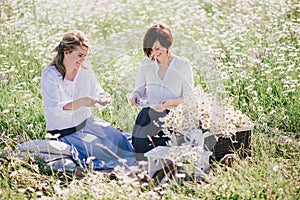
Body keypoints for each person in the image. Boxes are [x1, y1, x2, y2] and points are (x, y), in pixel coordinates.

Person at [40, 30, 135, 170]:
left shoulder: (85, 70)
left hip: (86, 123)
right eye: (79, 55)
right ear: (66, 52)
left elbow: (97, 89)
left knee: (118, 139)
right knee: (101, 151)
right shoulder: (50, 74)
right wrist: (80, 102)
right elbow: (54, 107)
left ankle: (140, 161)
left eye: (85, 56)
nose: (82, 60)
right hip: (64, 130)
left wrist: (104, 98)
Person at [130, 24, 194, 160]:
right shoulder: (146, 64)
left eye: (157, 48)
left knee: (166, 150)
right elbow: (139, 89)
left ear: (167, 45)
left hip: (173, 118)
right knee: (141, 149)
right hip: (148, 116)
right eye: (151, 49)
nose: (154, 52)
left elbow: (189, 98)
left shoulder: (183, 65)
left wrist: (170, 102)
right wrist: (136, 95)